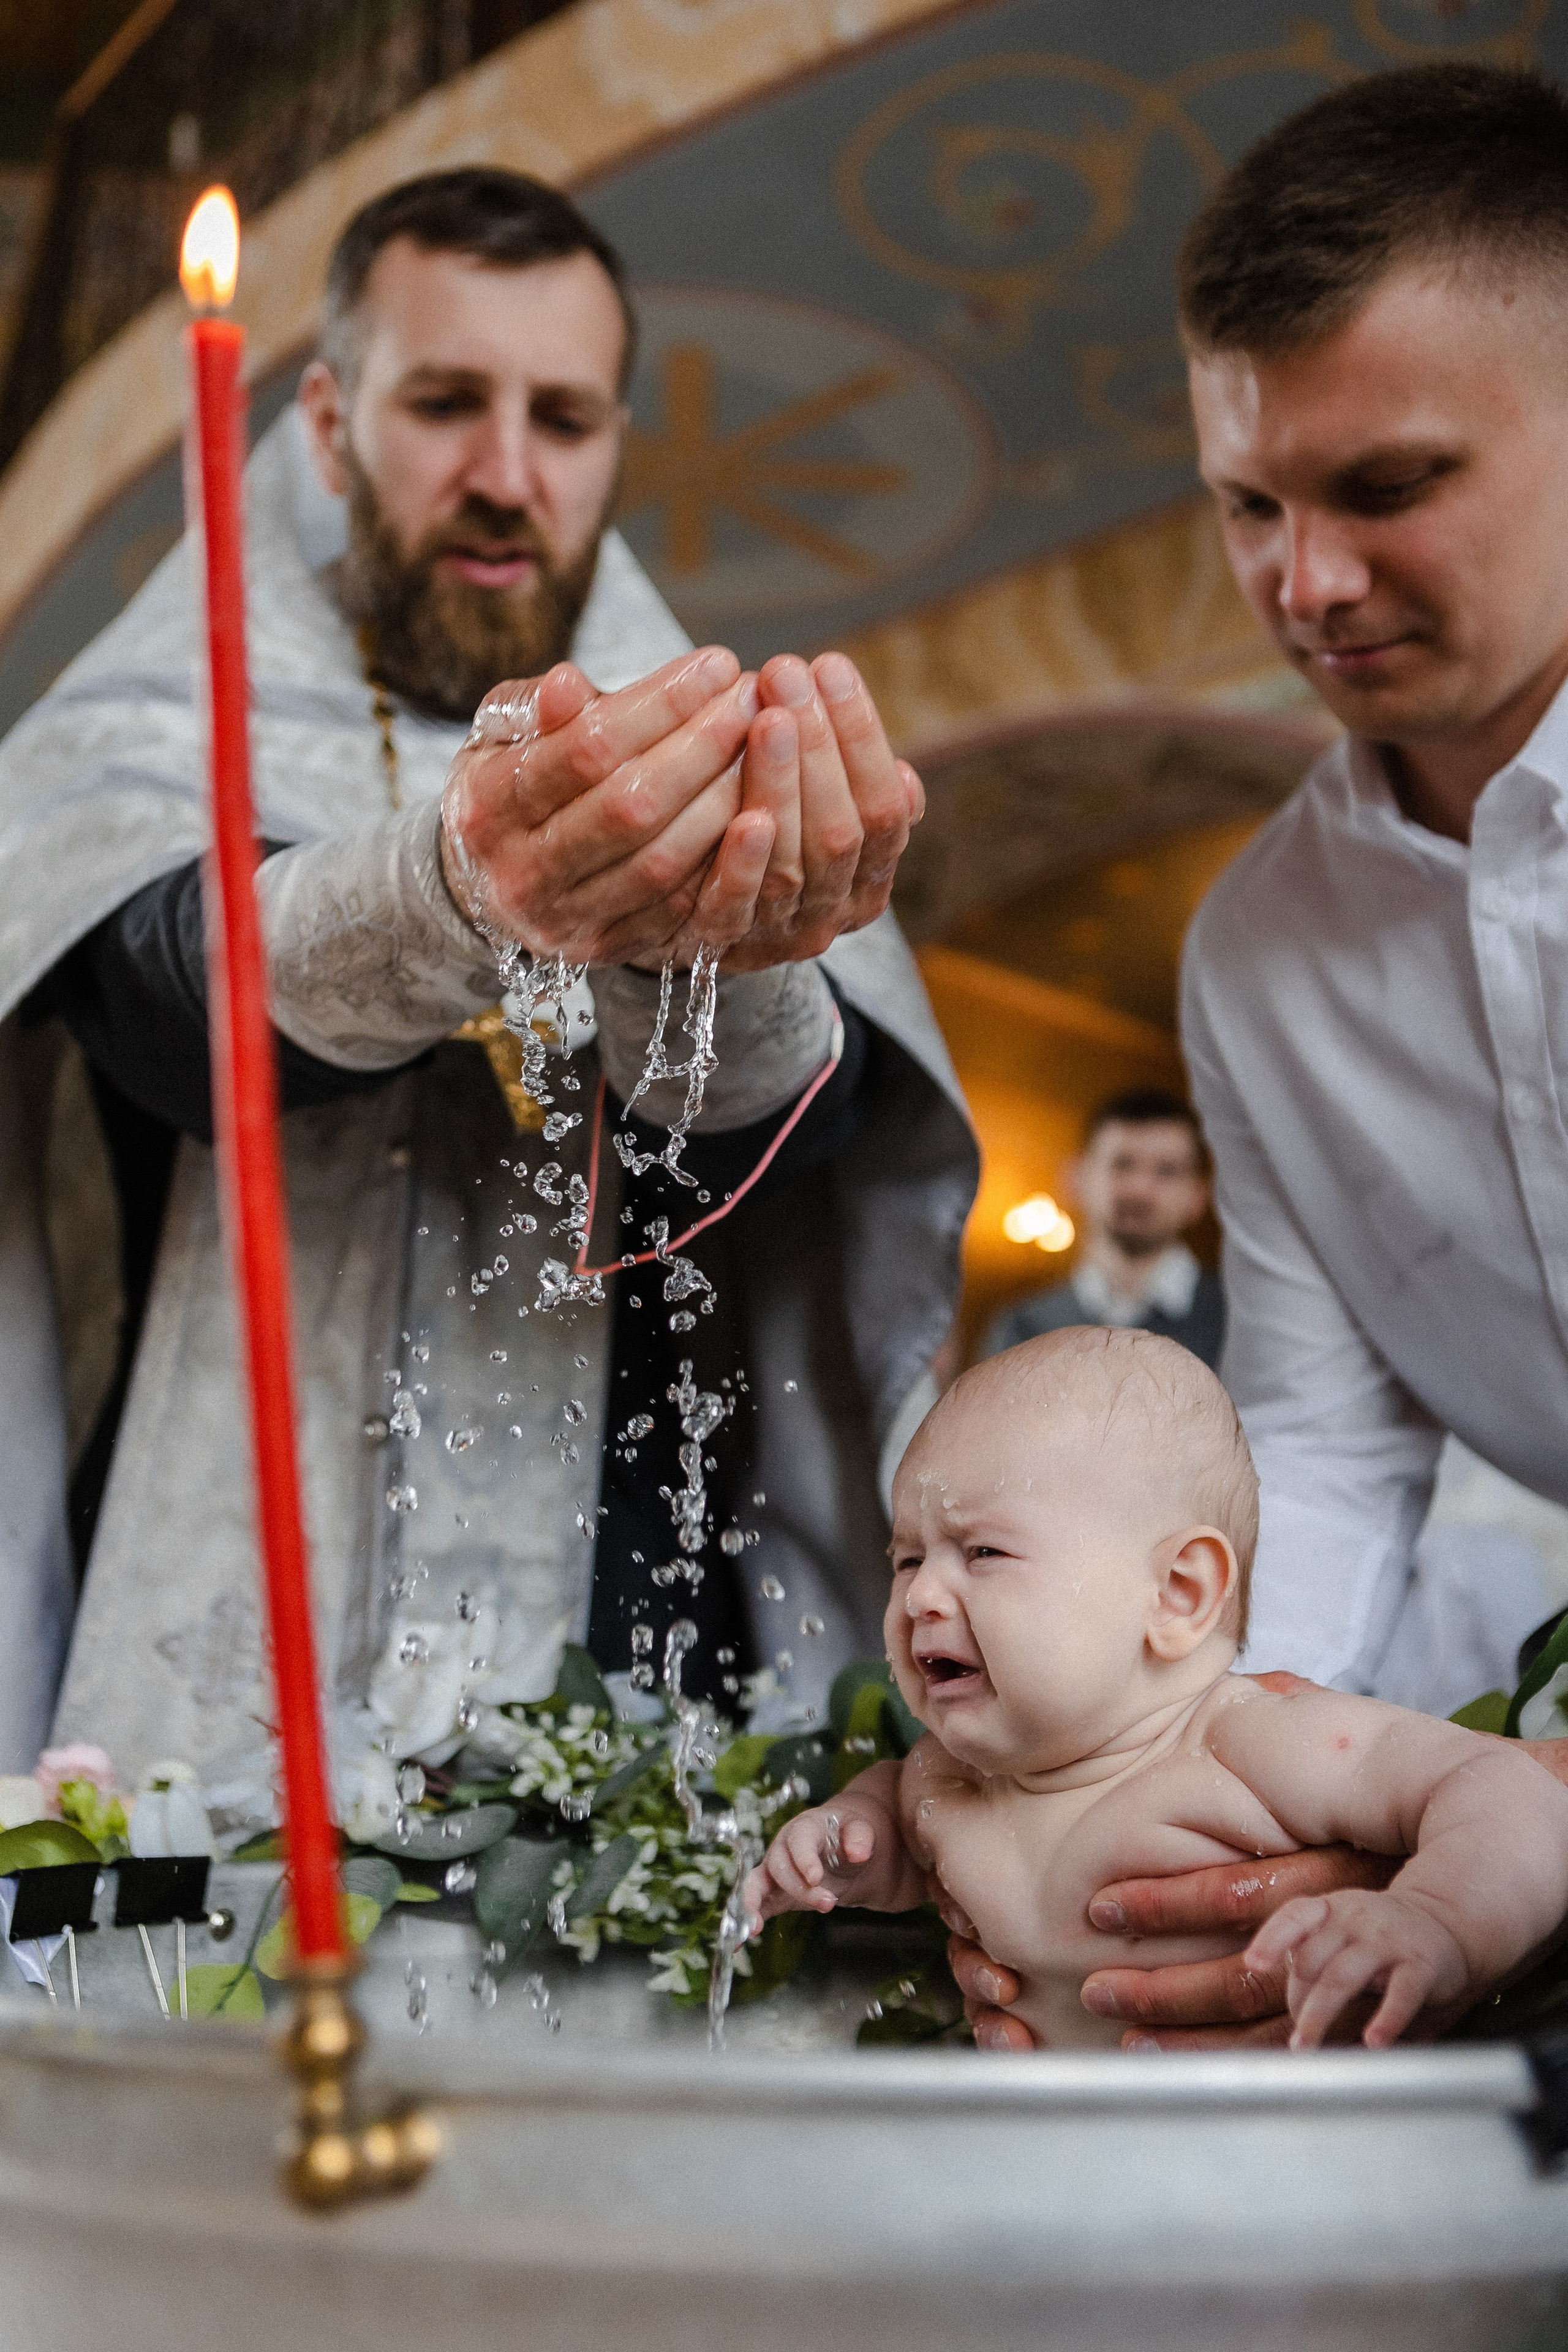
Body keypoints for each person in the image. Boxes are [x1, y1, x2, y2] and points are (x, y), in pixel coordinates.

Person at [0, 169, 976, 1800]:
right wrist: (457, 892)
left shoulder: (708, 748)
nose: (507, 476)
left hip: (621, 1609)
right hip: (192, 1598)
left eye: (564, 419)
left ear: (613, 446)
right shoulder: (154, 722)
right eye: (445, 403)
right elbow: (171, 1012)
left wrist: (724, 955)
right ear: (329, 426)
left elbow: (793, 1159)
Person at [954, 60, 1568, 2051]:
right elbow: (1319, 1444)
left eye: (1387, 488)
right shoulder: (1259, 954)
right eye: (1250, 504)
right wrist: (1161, 1820)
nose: (1304, 585)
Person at [746, 1329, 1568, 2048]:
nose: (921, 1595)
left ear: (1177, 1594)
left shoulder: (1250, 1744)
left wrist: (1436, 1918)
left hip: (1286, 2158)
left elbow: (1509, 1790)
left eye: (984, 1552)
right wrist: (845, 1841)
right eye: (908, 1559)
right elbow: (894, 1821)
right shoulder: (941, 1779)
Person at [978, 1089, 1223, 1371]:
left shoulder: (1237, 1322)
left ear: (1199, 1196)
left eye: (1166, 1171)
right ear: (1075, 1178)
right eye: (1122, 1164)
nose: (1140, 1188)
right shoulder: (1023, 1328)